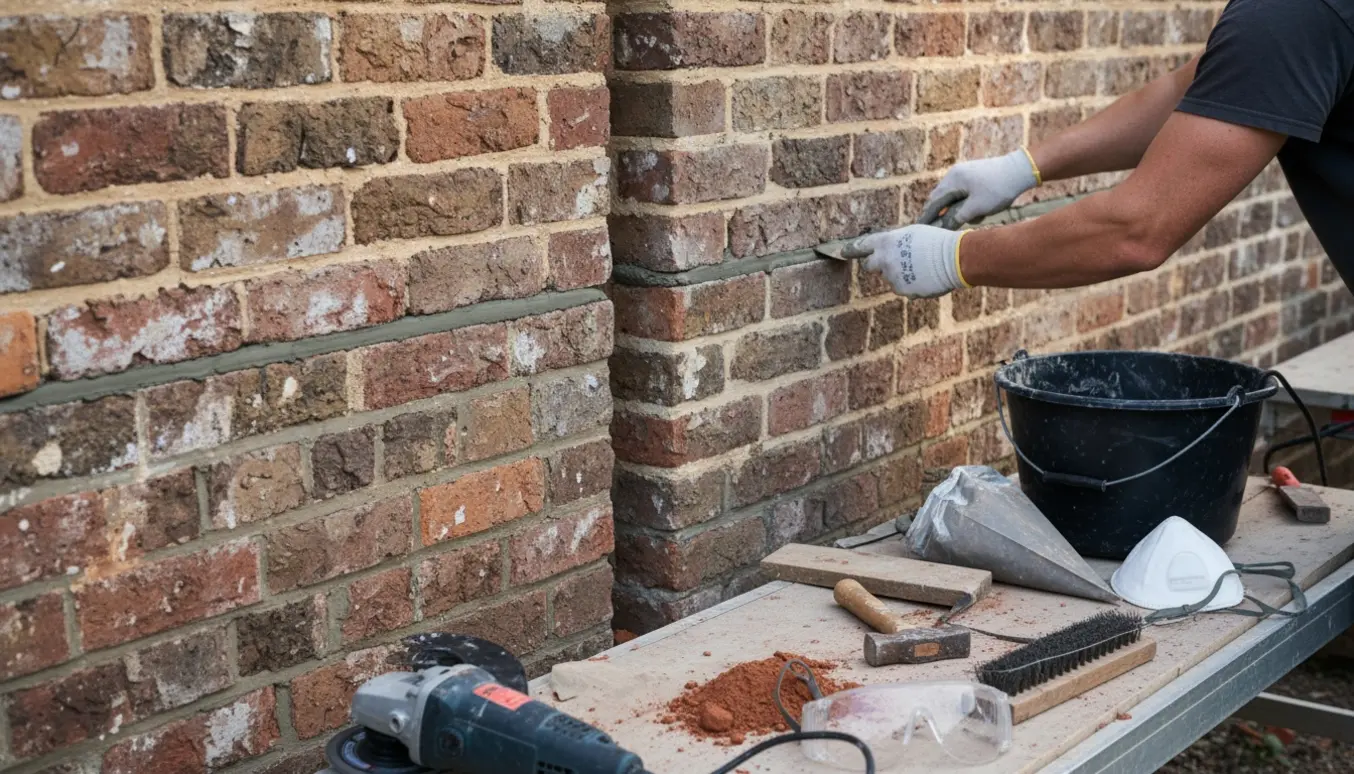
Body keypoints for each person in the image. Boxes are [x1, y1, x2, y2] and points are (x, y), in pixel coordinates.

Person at [858, 0, 1354, 298]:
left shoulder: (1298, 13)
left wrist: (952, 258)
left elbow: (1135, 230)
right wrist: (1024, 167)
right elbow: (1206, 90)